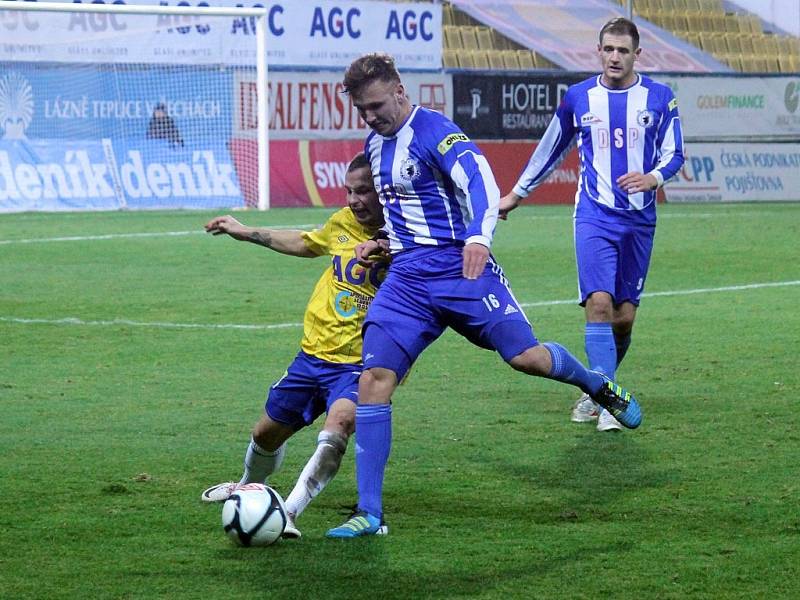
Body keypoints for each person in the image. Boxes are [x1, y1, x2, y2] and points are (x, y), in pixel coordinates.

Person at [325, 53, 642, 539]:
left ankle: (597, 385)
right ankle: (370, 513)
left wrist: (478, 237)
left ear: (400, 92)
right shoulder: (374, 144)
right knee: (375, 378)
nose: (369, 117)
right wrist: (386, 244)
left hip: (462, 268)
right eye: (361, 109)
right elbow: (408, 213)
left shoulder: (436, 131)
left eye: (375, 105)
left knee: (527, 358)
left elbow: (480, 180)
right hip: (408, 279)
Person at [500, 17, 685, 432]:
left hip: (639, 221)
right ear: (598, 51)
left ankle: (593, 388)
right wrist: (516, 194)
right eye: (608, 49)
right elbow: (550, 149)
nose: (615, 56)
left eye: (623, 50)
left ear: (638, 54)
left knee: (623, 319)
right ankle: (608, 402)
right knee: (599, 305)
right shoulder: (578, 98)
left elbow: (675, 154)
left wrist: (652, 178)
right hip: (594, 215)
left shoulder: (660, 98)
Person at [201, 153, 387, 538]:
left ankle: (287, 512)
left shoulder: (409, 235)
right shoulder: (342, 223)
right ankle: (247, 486)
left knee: (340, 423)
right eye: (349, 190)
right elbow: (307, 243)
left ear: (385, 190)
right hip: (312, 356)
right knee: (264, 435)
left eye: (364, 191)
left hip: (359, 363)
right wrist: (246, 231)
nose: (354, 200)